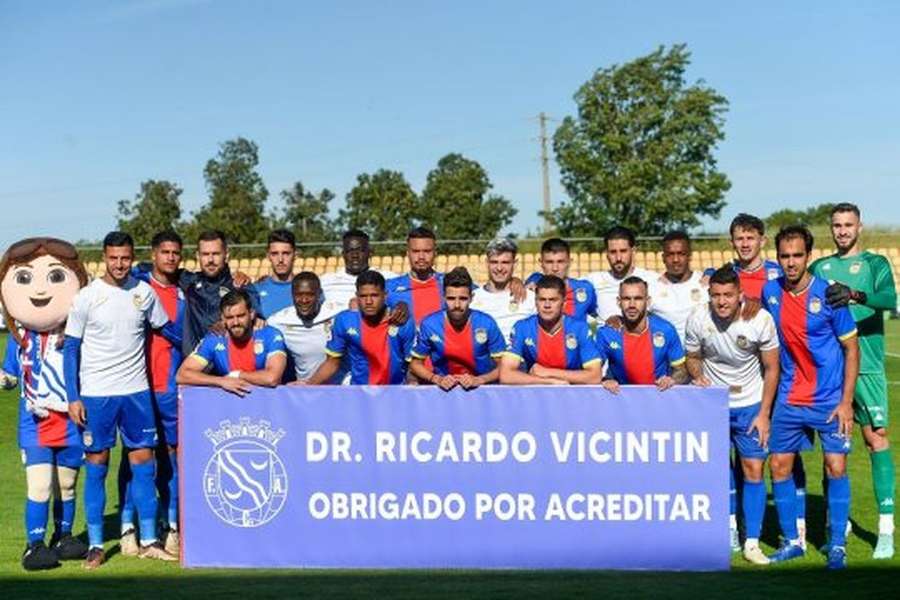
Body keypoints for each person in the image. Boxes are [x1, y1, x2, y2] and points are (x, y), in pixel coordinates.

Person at [63, 232, 179, 568]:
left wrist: (202, 339)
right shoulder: (87, 297)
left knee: (145, 464)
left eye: (125, 258)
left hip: (136, 393)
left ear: (132, 257)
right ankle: (97, 545)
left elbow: (165, 329)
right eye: (113, 258)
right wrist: (74, 397)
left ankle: (150, 540)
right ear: (104, 257)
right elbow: (71, 348)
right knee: (97, 465)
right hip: (97, 395)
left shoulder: (143, 293)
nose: (119, 264)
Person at [763, 225, 859, 570]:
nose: (790, 263)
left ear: (809, 256)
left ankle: (836, 545)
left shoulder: (829, 295)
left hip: (829, 399)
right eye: (785, 256)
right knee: (779, 465)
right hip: (789, 397)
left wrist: (846, 401)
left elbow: (851, 348)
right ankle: (793, 541)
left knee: (835, 467)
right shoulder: (770, 292)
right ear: (777, 258)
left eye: (797, 256)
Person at [811, 202, 897, 559]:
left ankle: (886, 530)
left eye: (848, 225)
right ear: (831, 229)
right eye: (837, 225)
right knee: (834, 448)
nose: (842, 231)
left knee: (875, 440)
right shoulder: (820, 267)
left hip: (870, 366)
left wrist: (855, 295)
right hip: (833, 369)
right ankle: (838, 522)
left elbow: (890, 299)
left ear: (859, 227)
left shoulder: (875, 264)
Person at [0, 237, 90, 570]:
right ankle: (33, 544)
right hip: (34, 420)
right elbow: (10, 374)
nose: (39, 291)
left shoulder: (77, 334)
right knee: (40, 484)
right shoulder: (19, 337)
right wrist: (5, 379)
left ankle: (63, 537)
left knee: (66, 483)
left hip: (71, 417)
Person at [685, 266, 780, 565]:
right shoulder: (698, 319)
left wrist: (764, 414)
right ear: (709, 296)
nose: (722, 301)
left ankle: (752, 541)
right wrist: (697, 375)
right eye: (716, 295)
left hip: (751, 404)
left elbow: (772, 368)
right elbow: (692, 356)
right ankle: (728, 532)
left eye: (728, 295)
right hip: (714, 404)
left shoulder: (760, 319)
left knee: (753, 470)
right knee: (717, 470)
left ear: (741, 295)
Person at [120, 230, 185, 557]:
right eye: (165, 252)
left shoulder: (187, 291)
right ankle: (127, 528)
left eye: (175, 252)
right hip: (135, 387)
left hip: (170, 389)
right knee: (134, 459)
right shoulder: (136, 286)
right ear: (154, 254)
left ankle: (171, 527)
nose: (170, 258)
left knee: (173, 458)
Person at [305, 270, 417, 385]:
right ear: (357, 297)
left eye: (374, 295)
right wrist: (307, 385)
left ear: (385, 296)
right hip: (359, 393)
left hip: (394, 393)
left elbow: (412, 365)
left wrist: (413, 387)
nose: (368, 301)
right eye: (363, 296)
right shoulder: (345, 321)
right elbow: (332, 363)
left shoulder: (402, 321)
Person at [409, 267, 505, 390]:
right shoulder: (430, 325)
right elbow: (415, 364)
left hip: (482, 389)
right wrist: (436, 379)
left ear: (471, 297)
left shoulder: (487, 323)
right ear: (443, 297)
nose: (457, 305)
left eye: (463, 298)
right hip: (444, 391)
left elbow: (504, 365)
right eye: (451, 298)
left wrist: (480, 380)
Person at [176, 289, 287, 393]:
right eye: (230, 317)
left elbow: (272, 378)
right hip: (231, 407)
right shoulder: (214, 339)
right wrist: (221, 381)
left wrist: (237, 375)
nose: (235, 322)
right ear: (223, 318)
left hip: (266, 404)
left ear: (252, 314)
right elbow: (182, 375)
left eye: (241, 316)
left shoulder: (270, 335)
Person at [499, 275, 602, 385]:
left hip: (573, 394)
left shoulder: (580, 329)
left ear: (564, 304)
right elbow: (506, 375)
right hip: (536, 394)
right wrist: (547, 381)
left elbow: (595, 376)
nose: (547, 305)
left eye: (553, 300)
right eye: (542, 300)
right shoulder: (522, 328)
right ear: (535, 302)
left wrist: (546, 372)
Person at [595, 277, 687, 392]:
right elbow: (591, 372)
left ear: (647, 301)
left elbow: (682, 370)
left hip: (659, 398)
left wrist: (672, 380)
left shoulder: (666, 330)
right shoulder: (606, 334)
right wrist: (604, 381)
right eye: (626, 299)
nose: (632, 305)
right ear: (619, 302)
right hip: (621, 400)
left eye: (638, 298)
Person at [178, 230, 260, 356]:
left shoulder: (240, 285)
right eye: (205, 254)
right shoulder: (189, 281)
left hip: (229, 367)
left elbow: (257, 321)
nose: (210, 260)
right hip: (195, 368)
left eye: (216, 254)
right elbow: (154, 269)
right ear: (197, 256)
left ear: (226, 255)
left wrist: (229, 324)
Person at [267, 272, 346, 383]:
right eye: (299, 295)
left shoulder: (339, 312)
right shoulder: (278, 321)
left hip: (341, 389)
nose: (304, 300)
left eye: (310, 294)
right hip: (305, 390)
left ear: (319, 294)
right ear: (292, 295)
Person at [470, 238, 535, 343]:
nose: (499, 268)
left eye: (505, 262)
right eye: (494, 262)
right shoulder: (472, 299)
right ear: (487, 263)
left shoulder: (530, 298)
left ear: (515, 264)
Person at [585, 226, 658, 321]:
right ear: (606, 254)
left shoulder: (652, 280)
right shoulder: (593, 281)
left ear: (633, 251)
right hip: (605, 335)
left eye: (623, 251)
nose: (618, 257)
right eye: (613, 252)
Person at [319, 229, 397, 313]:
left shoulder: (389, 279)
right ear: (343, 254)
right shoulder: (325, 282)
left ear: (370, 253)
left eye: (360, 250)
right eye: (349, 251)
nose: (355, 255)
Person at [650, 230, 707, 342]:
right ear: (663, 258)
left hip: (699, 357)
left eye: (681, 254)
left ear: (690, 256)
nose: (676, 260)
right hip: (666, 358)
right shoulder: (652, 288)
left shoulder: (705, 285)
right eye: (670, 254)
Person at [524, 238, 597, 321]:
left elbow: (598, 315)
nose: (555, 268)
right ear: (541, 263)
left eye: (560, 262)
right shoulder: (533, 284)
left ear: (569, 262)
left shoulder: (586, 289)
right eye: (549, 262)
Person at [386, 227, 445, 326]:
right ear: (408, 253)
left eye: (427, 251)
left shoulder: (450, 284)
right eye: (416, 251)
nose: (421, 257)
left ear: (435, 254)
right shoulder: (389, 287)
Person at [250, 229, 298, 318]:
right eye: (275, 254)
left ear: (295, 255)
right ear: (268, 256)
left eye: (286, 253)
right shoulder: (255, 290)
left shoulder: (309, 290)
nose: (280, 259)